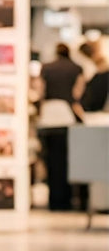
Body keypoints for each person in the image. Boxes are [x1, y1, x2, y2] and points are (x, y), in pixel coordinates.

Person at [39, 43, 85, 211]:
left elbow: (41, 91)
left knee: (51, 160)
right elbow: (77, 93)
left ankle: (55, 200)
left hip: (49, 117)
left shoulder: (46, 68)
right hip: (67, 116)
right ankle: (68, 199)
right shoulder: (77, 68)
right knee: (67, 160)